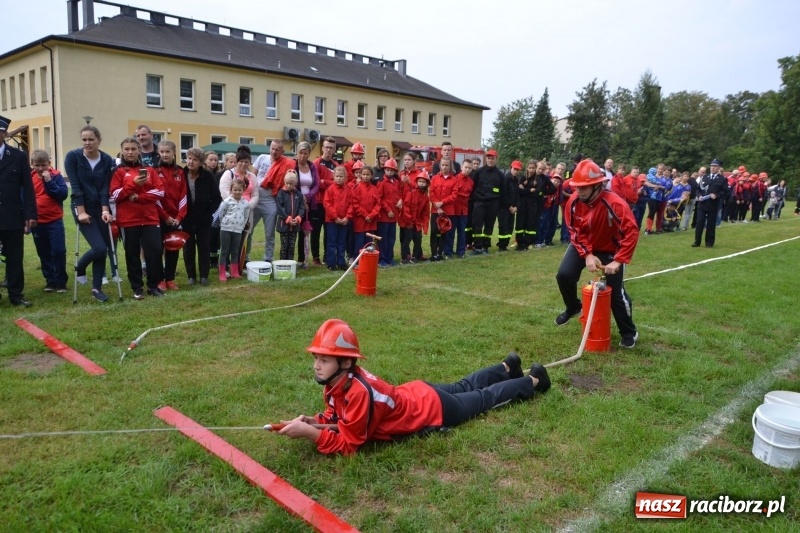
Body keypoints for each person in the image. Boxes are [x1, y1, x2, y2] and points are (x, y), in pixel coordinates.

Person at [275, 319, 551, 456]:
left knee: (482, 399)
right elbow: (340, 418)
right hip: (418, 392)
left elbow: (350, 444)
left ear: (346, 362)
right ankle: (506, 368)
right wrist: (316, 421)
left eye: (324, 360)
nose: (316, 366)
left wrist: (312, 435)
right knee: (464, 385)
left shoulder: (357, 391)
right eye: (316, 358)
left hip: (430, 409)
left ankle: (535, 381)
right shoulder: (337, 382)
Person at [556, 159, 639, 348]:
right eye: (578, 187)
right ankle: (574, 307)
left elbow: (631, 232)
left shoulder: (615, 203)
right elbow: (575, 231)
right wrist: (587, 254)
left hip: (611, 249)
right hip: (584, 245)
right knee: (564, 275)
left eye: (585, 187)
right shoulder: (573, 202)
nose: (580, 191)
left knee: (615, 293)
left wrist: (618, 261)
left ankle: (629, 332)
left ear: (598, 185)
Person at [110, 137, 165, 299]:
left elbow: (160, 192)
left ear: (139, 151)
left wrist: (138, 197)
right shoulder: (118, 171)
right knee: (132, 254)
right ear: (122, 151)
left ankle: (153, 286)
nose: (130, 152)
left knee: (154, 252)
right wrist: (132, 184)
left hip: (150, 218)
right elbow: (115, 195)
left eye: (133, 149)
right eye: (127, 149)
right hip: (128, 220)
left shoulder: (150, 170)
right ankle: (137, 287)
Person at [65, 125, 115, 303]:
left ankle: (96, 288)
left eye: (91, 139)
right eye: (84, 139)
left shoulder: (107, 159)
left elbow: (104, 188)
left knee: (103, 249)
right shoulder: (73, 157)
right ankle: (80, 266)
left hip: (99, 207)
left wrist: (104, 210)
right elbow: (76, 186)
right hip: (82, 207)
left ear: (99, 141)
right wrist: (81, 212)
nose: (87, 143)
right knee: (99, 248)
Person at [0, 115, 37, 307]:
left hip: (12, 215)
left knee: (15, 257)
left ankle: (16, 294)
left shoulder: (18, 156)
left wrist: (30, 214)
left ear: (4, 134)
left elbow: (28, 187)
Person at [30, 149, 69, 294]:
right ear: (32, 164)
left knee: (59, 250)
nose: (40, 169)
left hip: (54, 221)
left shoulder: (56, 176)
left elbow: (62, 195)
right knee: (43, 252)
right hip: (37, 222)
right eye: (37, 165)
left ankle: (61, 281)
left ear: (49, 164)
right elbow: (25, 198)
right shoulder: (29, 178)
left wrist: (49, 181)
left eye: (43, 165)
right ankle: (50, 280)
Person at [183, 147, 221, 286]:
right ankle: (191, 276)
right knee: (188, 247)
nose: (191, 162)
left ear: (201, 162)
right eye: (189, 158)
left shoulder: (208, 176)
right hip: (186, 218)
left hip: (204, 219)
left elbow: (216, 198)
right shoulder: (181, 174)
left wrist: (208, 214)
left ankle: (204, 275)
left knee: (204, 246)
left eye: (195, 159)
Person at [155, 140, 187, 291]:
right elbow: (155, 197)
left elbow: (184, 196)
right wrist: (165, 217)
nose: (165, 154)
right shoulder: (154, 171)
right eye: (162, 152)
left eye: (168, 152)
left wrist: (179, 217)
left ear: (174, 152)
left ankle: (170, 278)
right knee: (157, 249)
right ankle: (159, 279)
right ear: (158, 153)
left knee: (173, 248)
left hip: (176, 219)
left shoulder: (180, 172)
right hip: (159, 217)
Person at [259, 140, 294, 261]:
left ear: (282, 152)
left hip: (270, 200)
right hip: (256, 196)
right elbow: (252, 177)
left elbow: (289, 181)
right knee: (248, 230)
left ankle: (268, 258)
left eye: (277, 150)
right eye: (272, 148)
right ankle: (244, 259)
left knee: (269, 233)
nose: (274, 151)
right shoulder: (262, 158)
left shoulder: (287, 163)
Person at [470, 149, 505, 255]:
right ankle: (477, 247)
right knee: (477, 224)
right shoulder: (479, 172)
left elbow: (503, 191)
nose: (490, 160)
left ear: (496, 159)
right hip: (479, 202)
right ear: (486, 159)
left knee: (489, 225)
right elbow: (473, 186)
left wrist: (500, 205)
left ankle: (485, 247)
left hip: (493, 203)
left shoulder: (500, 175)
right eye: (488, 158)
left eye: (492, 158)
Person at [215, 178, 251, 280]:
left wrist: (242, 225)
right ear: (231, 190)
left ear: (243, 190)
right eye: (235, 189)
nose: (237, 192)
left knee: (235, 251)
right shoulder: (227, 202)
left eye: (239, 190)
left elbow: (245, 216)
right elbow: (221, 213)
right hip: (226, 229)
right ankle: (222, 272)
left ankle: (234, 271)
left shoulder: (246, 204)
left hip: (238, 230)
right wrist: (224, 223)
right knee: (224, 251)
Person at [293, 141, 319, 267]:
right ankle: (297, 259)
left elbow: (316, 185)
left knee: (307, 231)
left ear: (309, 154)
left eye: (305, 153)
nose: (302, 156)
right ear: (297, 153)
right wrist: (300, 198)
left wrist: (307, 197)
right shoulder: (293, 166)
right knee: (296, 231)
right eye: (300, 153)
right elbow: (290, 183)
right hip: (296, 203)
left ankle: (305, 259)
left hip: (310, 204)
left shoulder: (312, 167)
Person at [429, 158, 459, 260]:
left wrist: (442, 203)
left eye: (447, 165)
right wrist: (437, 207)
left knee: (444, 233)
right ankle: (433, 253)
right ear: (440, 166)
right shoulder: (434, 178)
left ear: (450, 166)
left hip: (448, 211)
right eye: (443, 165)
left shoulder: (454, 180)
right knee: (434, 231)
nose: (444, 167)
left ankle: (440, 253)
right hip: (435, 210)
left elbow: (454, 195)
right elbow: (431, 193)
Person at [693, 159, 727, 248]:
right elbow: (698, 189)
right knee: (699, 222)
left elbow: (725, 192)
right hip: (702, 204)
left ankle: (709, 242)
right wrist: (699, 195)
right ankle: (697, 241)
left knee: (711, 224)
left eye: (715, 166)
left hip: (713, 204)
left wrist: (716, 195)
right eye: (712, 166)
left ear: (719, 167)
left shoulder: (722, 179)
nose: (713, 168)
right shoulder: (704, 177)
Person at [323, 167, 351, 271]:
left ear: (345, 177)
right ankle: (331, 263)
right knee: (332, 242)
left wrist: (347, 217)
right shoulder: (330, 189)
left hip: (344, 221)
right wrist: (335, 217)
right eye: (337, 176)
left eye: (341, 176)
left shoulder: (348, 190)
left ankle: (341, 262)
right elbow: (327, 204)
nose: (339, 178)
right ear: (333, 177)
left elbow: (351, 205)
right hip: (332, 221)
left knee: (342, 241)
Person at [399, 170, 430, 264]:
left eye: (423, 182)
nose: (421, 184)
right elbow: (406, 206)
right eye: (420, 181)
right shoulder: (411, 192)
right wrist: (409, 220)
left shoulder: (426, 197)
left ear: (427, 184)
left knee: (418, 239)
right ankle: (404, 258)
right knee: (407, 239)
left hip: (417, 222)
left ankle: (415, 257)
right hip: (407, 221)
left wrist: (424, 225)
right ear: (416, 182)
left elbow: (426, 212)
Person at [376, 157, 402, 266]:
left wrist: (401, 200)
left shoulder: (397, 182)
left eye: (391, 170)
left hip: (393, 216)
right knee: (383, 239)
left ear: (395, 171)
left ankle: (390, 258)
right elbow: (379, 199)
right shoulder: (381, 183)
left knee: (391, 238)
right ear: (384, 170)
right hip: (384, 216)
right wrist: (388, 210)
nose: (389, 172)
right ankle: (382, 259)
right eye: (387, 170)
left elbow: (400, 194)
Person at [275, 170, 305, 262]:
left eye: (291, 184)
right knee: (284, 245)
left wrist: (298, 217)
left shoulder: (299, 194)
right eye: (287, 183)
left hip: (295, 225)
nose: (288, 185)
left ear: (295, 183)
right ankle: (282, 263)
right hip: (284, 225)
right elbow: (280, 207)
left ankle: (290, 263)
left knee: (292, 245)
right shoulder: (281, 193)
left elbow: (301, 207)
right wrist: (287, 218)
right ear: (284, 182)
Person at [351, 165, 380, 254]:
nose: (366, 176)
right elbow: (355, 204)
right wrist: (365, 215)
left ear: (371, 176)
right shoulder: (356, 188)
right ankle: (358, 261)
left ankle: (368, 261)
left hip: (371, 221)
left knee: (369, 242)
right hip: (360, 221)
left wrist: (371, 215)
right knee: (359, 242)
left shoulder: (375, 189)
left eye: (368, 174)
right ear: (360, 175)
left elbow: (378, 204)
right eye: (364, 174)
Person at [497, 160, 521, 252]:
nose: (516, 171)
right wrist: (510, 206)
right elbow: (503, 195)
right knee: (503, 227)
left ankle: (505, 244)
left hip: (513, 208)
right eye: (514, 169)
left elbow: (517, 195)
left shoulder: (516, 180)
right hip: (504, 208)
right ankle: (501, 246)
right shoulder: (505, 179)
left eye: (517, 170)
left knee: (510, 227)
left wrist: (516, 207)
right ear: (511, 168)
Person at [453, 159, 473, 258]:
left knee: (462, 232)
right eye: (466, 167)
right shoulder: (455, 179)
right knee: (451, 232)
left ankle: (461, 251)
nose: (467, 170)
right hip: (454, 210)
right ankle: (448, 251)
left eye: (469, 168)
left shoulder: (471, 182)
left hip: (464, 210)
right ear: (461, 167)